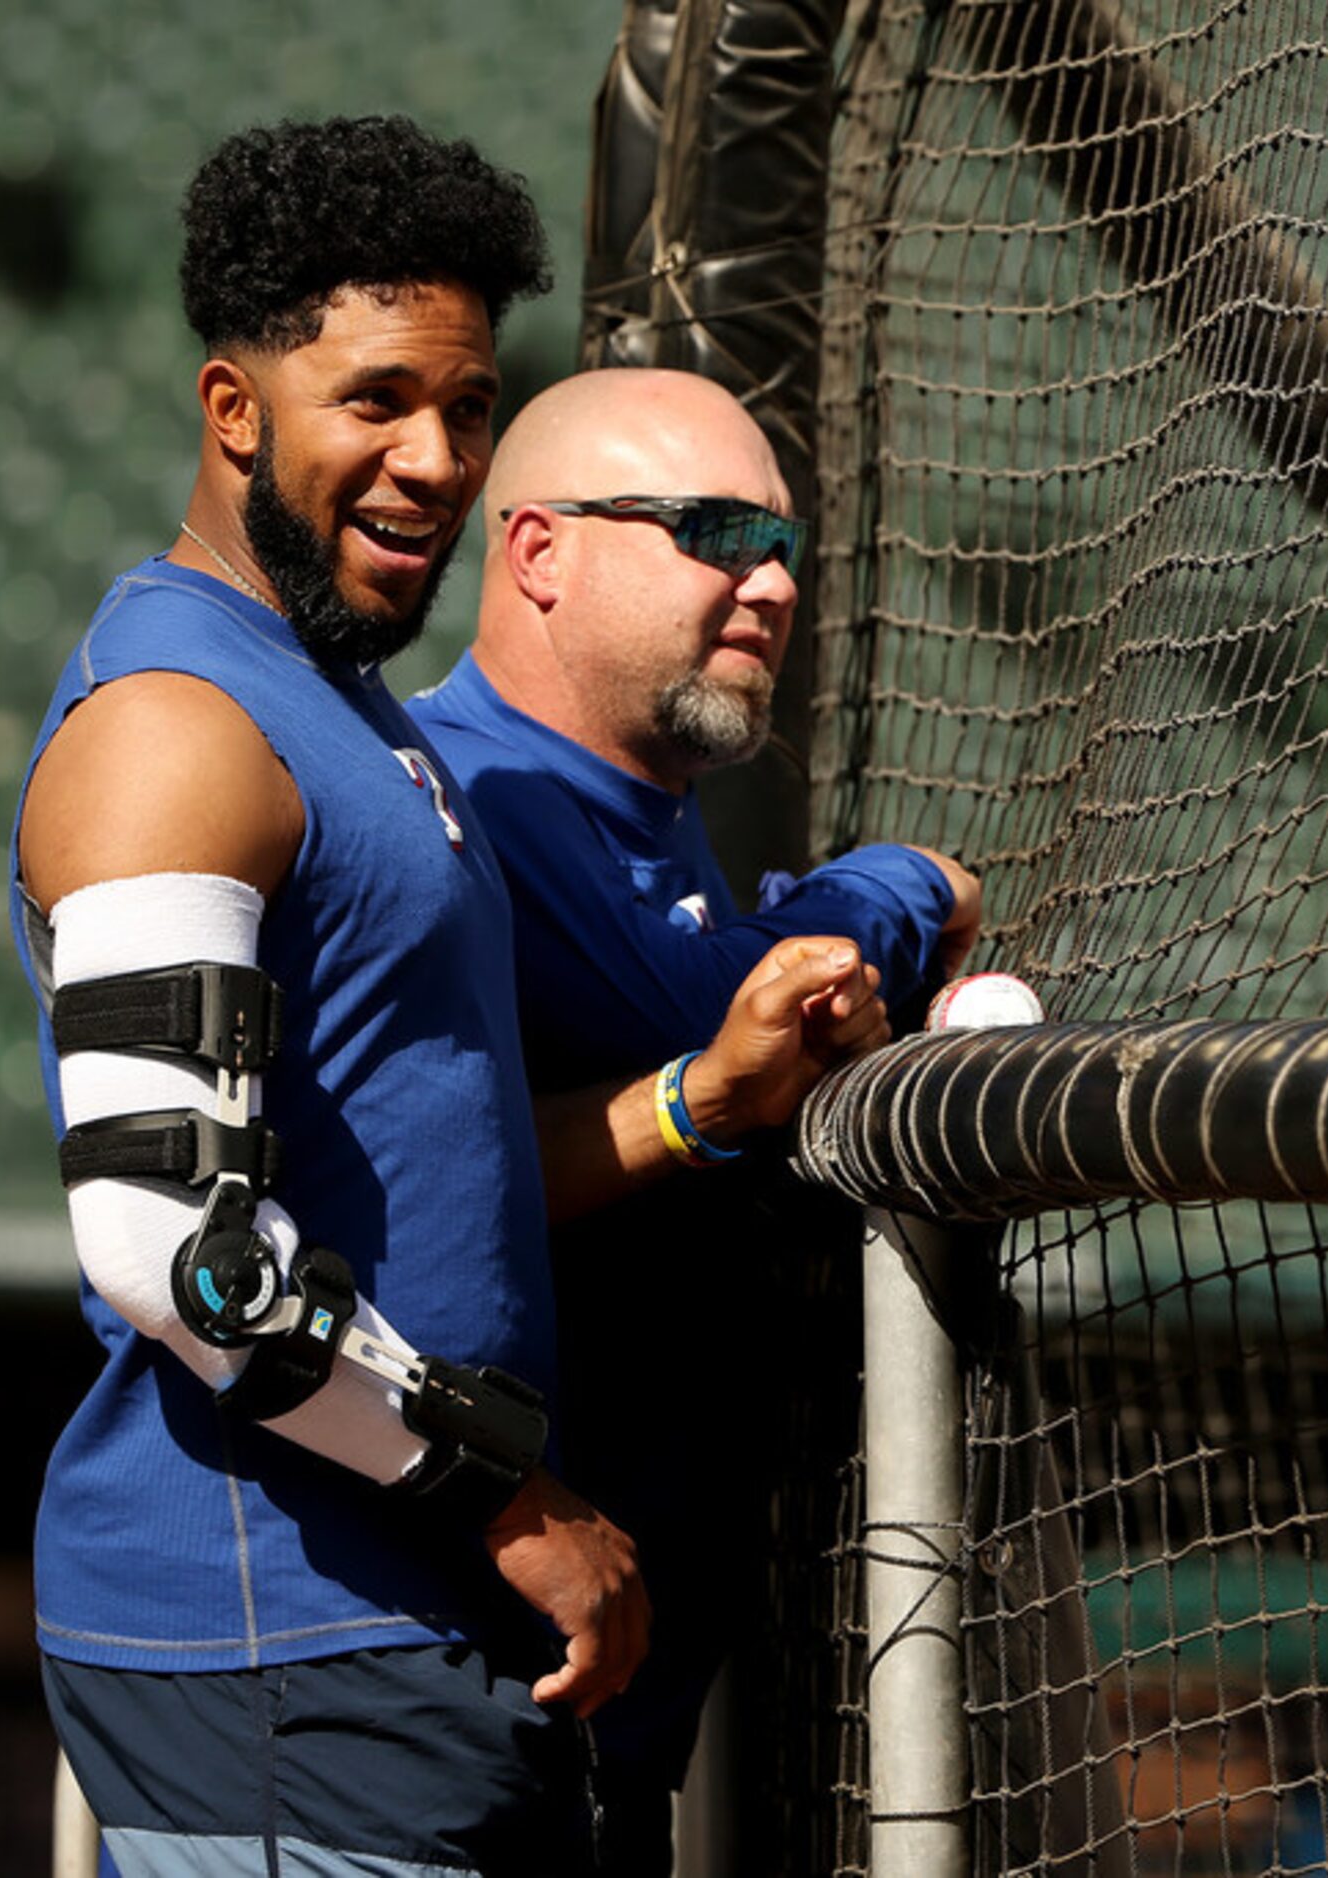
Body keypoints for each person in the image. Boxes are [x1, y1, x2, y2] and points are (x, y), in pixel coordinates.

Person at [11, 118, 887, 1873]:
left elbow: (442, 1167)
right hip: (277, 1649)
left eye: (471, 407)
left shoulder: (345, 705)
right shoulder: (175, 725)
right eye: (378, 400)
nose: (433, 459)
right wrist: (509, 1492)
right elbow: (170, 1246)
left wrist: (691, 1105)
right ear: (236, 408)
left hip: (407, 1649)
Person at [408, 366, 980, 1869]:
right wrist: (899, 884)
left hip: (603, 1752)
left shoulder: (647, 820)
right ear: (538, 550)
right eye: (715, 531)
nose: (774, 581)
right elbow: (712, 1011)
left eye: (787, 543)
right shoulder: (464, 796)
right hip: (446, 1725)